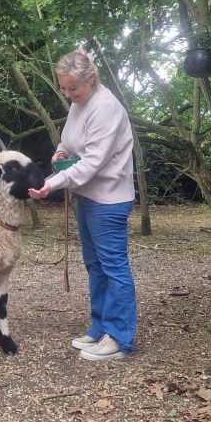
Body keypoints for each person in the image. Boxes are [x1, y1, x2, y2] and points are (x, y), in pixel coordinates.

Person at [28, 49, 136, 361]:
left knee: (114, 267)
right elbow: (70, 141)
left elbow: (92, 163)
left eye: (72, 88)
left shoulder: (104, 107)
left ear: (91, 79)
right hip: (86, 196)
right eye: (63, 88)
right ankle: (100, 327)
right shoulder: (80, 103)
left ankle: (120, 337)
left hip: (109, 199)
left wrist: (51, 183)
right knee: (94, 265)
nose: (67, 94)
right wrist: (60, 153)